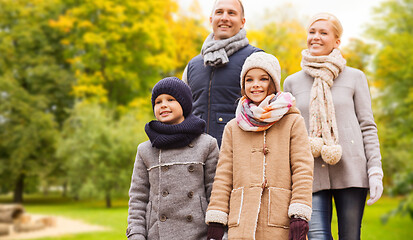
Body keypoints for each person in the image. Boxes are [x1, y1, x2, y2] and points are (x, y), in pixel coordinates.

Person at [283, 13, 384, 240]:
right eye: (312, 32)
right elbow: (290, 131)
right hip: (310, 172)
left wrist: (375, 170)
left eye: (323, 33)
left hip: (351, 170)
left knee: (350, 236)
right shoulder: (292, 82)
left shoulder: (355, 77)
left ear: (337, 41)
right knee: (318, 236)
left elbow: (367, 126)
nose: (315, 37)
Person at [205, 52, 314, 240]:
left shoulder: (292, 121)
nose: (255, 84)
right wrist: (217, 216)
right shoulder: (233, 127)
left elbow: (302, 169)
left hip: (279, 219)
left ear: (273, 83)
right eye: (249, 80)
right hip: (242, 220)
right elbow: (224, 175)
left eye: (263, 79)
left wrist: (299, 213)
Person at [126, 77, 219, 240]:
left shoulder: (207, 144)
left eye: (171, 99)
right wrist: (136, 234)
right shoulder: (145, 150)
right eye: (158, 102)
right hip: (157, 235)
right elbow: (138, 198)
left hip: (199, 233)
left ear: (184, 104)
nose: (163, 105)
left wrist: (217, 232)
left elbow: (215, 192)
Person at [182, 0, 262, 147]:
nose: (224, 17)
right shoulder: (193, 65)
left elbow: (268, 110)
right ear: (211, 19)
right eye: (219, 12)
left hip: (239, 153)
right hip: (196, 156)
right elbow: (183, 114)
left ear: (242, 22)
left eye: (231, 13)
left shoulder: (256, 58)